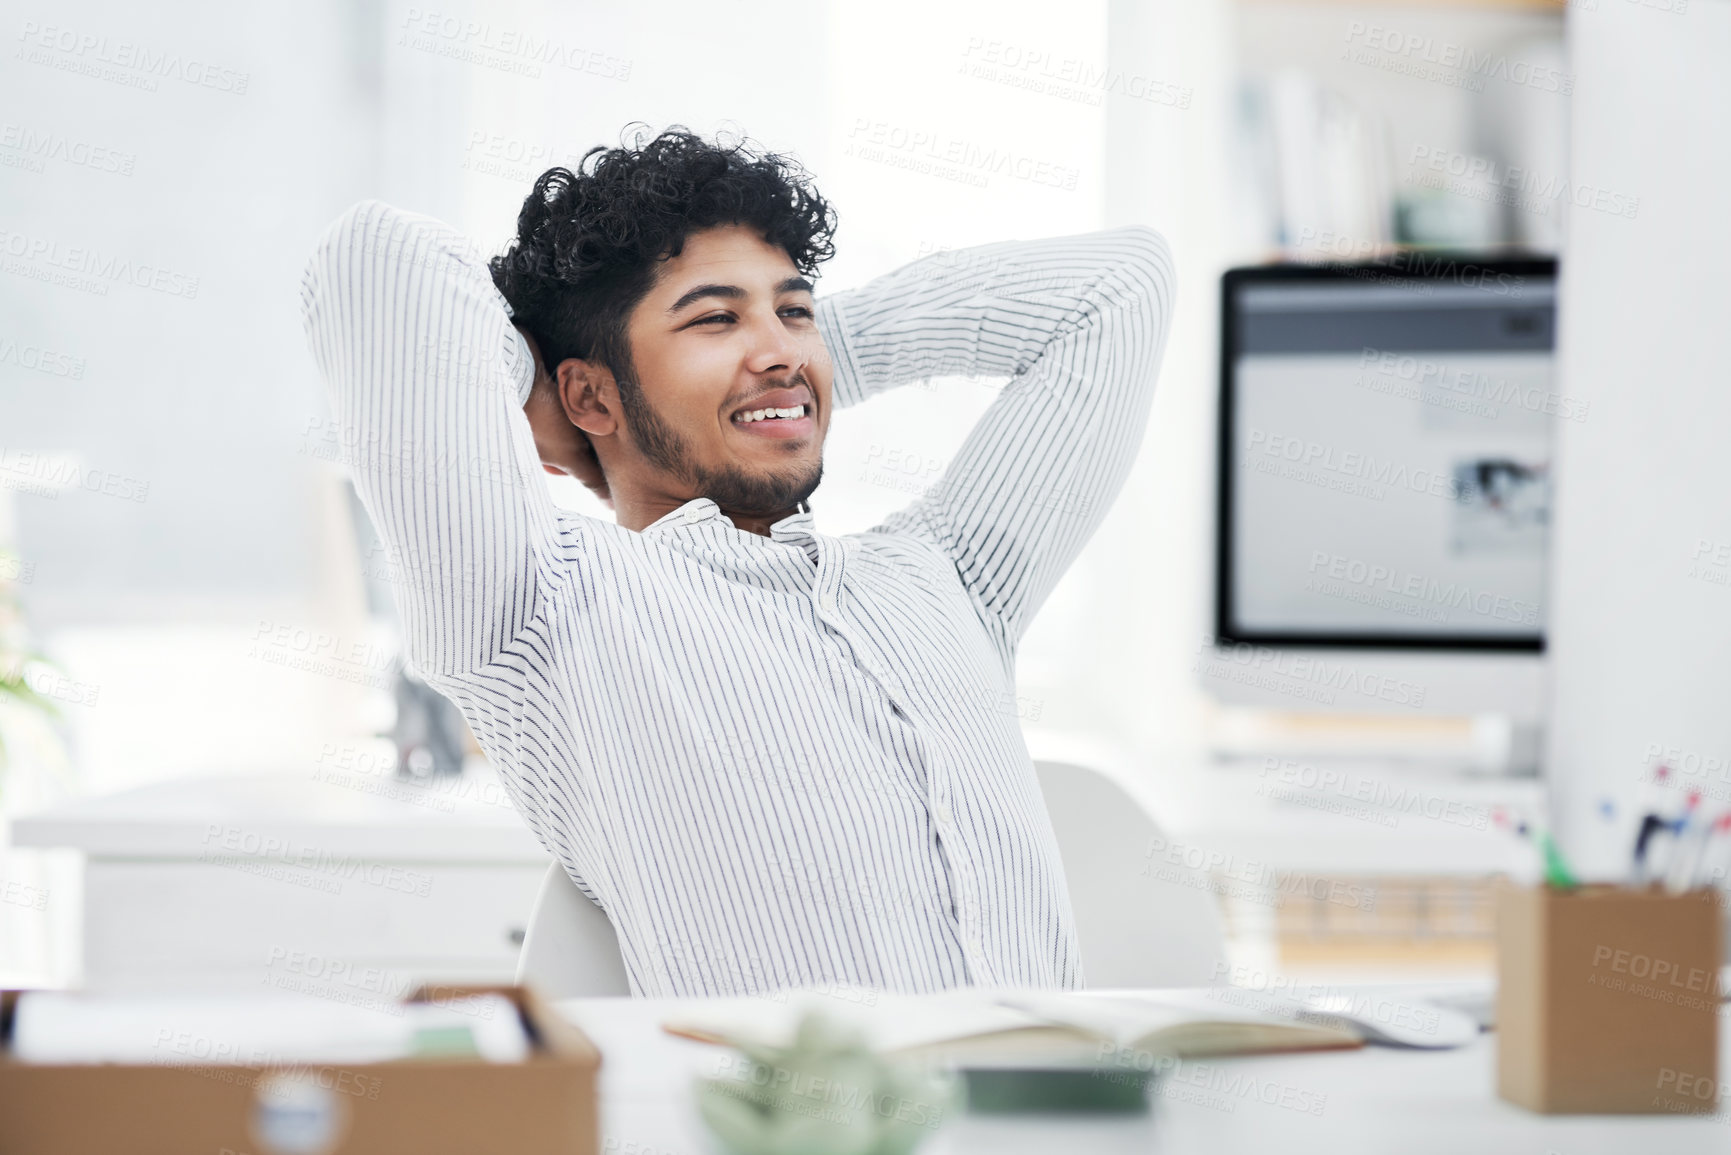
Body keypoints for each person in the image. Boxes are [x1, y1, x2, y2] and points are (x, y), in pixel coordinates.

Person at [300, 127, 1173, 997]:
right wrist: (539, 398)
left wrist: (807, 366)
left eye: (795, 311)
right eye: (715, 317)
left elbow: (1122, 283)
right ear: (589, 393)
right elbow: (376, 262)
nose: (783, 345)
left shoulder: (946, 574)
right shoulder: (546, 601)